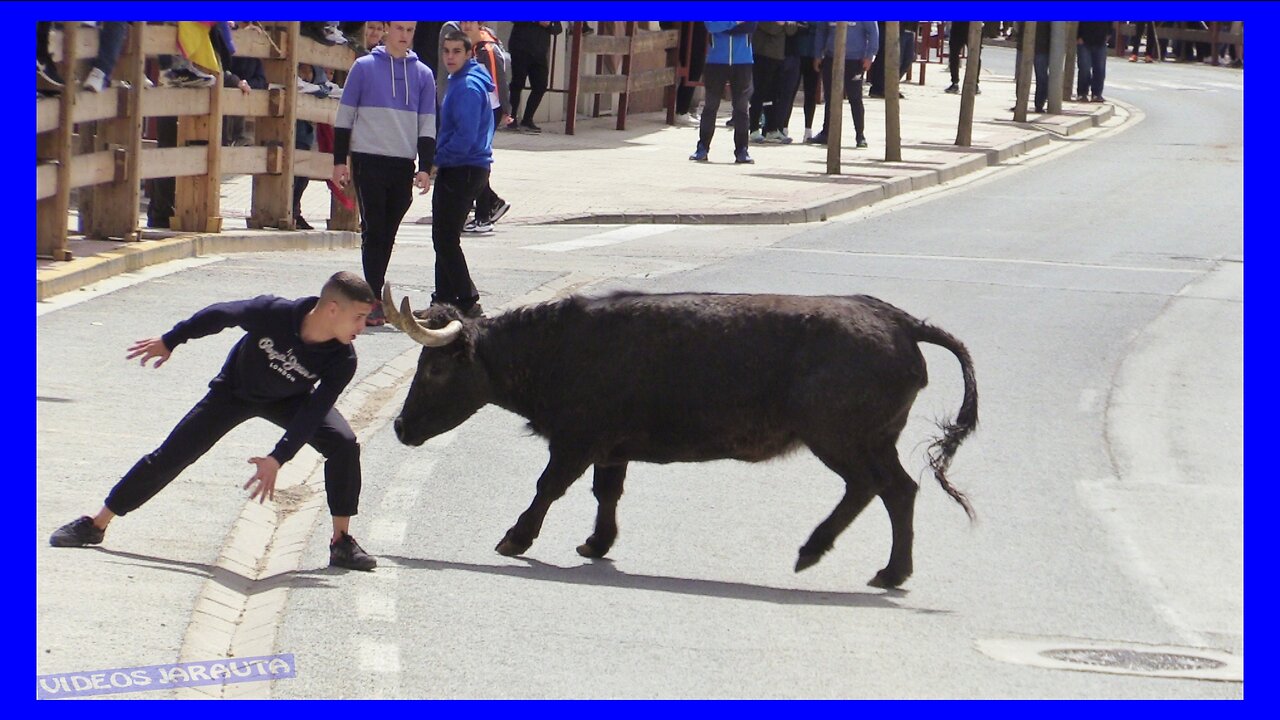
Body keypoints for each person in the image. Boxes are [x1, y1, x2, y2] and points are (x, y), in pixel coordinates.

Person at [49, 272, 380, 572]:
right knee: (172, 454)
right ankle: (96, 523)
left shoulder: (343, 359)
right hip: (234, 392)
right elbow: (221, 314)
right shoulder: (275, 313)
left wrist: (278, 457)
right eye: (359, 317)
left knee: (344, 443)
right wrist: (171, 340)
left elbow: (315, 410)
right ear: (333, 309)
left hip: (290, 400)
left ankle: (341, 542)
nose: (362, 328)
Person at [332, 21, 436, 327]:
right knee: (374, 228)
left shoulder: (424, 75)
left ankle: (373, 292)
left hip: (402, 161)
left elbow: (427, 123)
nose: (404, 36)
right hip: (368, 158)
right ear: (387, 28)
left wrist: (425, 167)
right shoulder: (363, 67)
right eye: (400, 29)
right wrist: (340, 162)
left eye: (410, 30)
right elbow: (345, 116)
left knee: (388, 232)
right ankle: (373, 297)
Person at [430, 29, 495, 318]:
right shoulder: (460, 80)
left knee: (445, 238)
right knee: (443, 236)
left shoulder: (468, 86)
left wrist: (436, 160)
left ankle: (468, 302)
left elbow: (465, 137)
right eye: (446, 51)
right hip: (463, 166)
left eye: (457, 51)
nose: (450, 57)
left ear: (469, 54)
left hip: (463, 167)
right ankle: (443, 302)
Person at [459, 21, 512, 234]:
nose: (465, 25)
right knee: (472, 160)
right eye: (463, 20)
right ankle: (491, 204)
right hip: (474, 108)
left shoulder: (487, 49)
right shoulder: (466, 46)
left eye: (470, 21)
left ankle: (484, 215)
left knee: (477, 160)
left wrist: (506, 110)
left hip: (488, 109)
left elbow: (499, 81)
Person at [690, 22, 756, 165]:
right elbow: (711, 25)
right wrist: (735, 22)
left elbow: (751, 25)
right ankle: (702, 147)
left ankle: (742, 150)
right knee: (711, 106)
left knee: (741, 108)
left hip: (742, 60)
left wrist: (725, 23)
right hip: (716, 60)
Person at [808, 21, 878, 149]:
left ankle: (860, 135)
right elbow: (821, 31)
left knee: (855, 98)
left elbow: (873, 33)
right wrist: (818, 54)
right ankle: (826, 133)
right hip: (831, 58)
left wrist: (870, 56)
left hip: (855, 60)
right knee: (830, 98)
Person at [507, 21, 563, 132]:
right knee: (517, 84)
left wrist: (548, 24)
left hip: (539, 53)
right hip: (520, 49)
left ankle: (527, 120)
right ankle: (511, 119)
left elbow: (557, 29)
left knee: (541, 86)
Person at [1076, 21, 1109, 103]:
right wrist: (1078, 36)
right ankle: (1082, 93)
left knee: (1099, 69)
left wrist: (1108, 34)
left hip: (1101, 40)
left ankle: (1097, 94)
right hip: (1084, 39)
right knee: (1084, 68)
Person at [944, 21, 981, 94]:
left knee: (974, 56)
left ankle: (974, 84)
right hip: (959, 26)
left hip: (973, 26)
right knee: (954, 55)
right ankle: (955, 82)